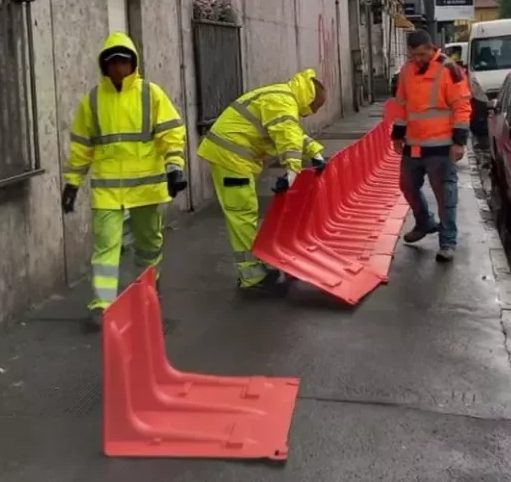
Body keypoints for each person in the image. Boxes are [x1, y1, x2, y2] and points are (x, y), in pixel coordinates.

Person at [62, 32, 188, 330]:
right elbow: (82, 146)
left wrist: (175, 168)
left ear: (134, 63)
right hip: (108, 190)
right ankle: (102, 305)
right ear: (104, 66)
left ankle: (148, 294)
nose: (119, 67)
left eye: (124, 61)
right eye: (113, 62)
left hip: (146, 187)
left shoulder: (151, 94)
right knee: (106, 247)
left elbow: (171, 133)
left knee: (148, 244)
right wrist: (72, 183)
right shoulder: (93, 100)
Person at [197, 69, 327, 297]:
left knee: (244, 213)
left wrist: (315, 152)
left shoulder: (282, 97)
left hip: (232, 156)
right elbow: (288, 137)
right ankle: (252, 278)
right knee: (242, 214)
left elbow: (293, 134)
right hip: (230, 158)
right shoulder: (283, 102)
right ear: (308, 99)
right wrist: (292, 172)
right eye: (313, 109)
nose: (309, 115)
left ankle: (255, 268)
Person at [391, 30, 471, 262]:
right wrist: (397, 135)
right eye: (414, 55)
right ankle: (425, 222)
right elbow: (401, 105)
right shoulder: (407, 71)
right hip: (414, 145)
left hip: (441, 147)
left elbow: (462, 106)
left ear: (432, 48)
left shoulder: (449, 69)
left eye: (422, 54)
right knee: (407, 186)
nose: (418, 59)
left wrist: (458, 142)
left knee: (446, 196)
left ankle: (447, 242)